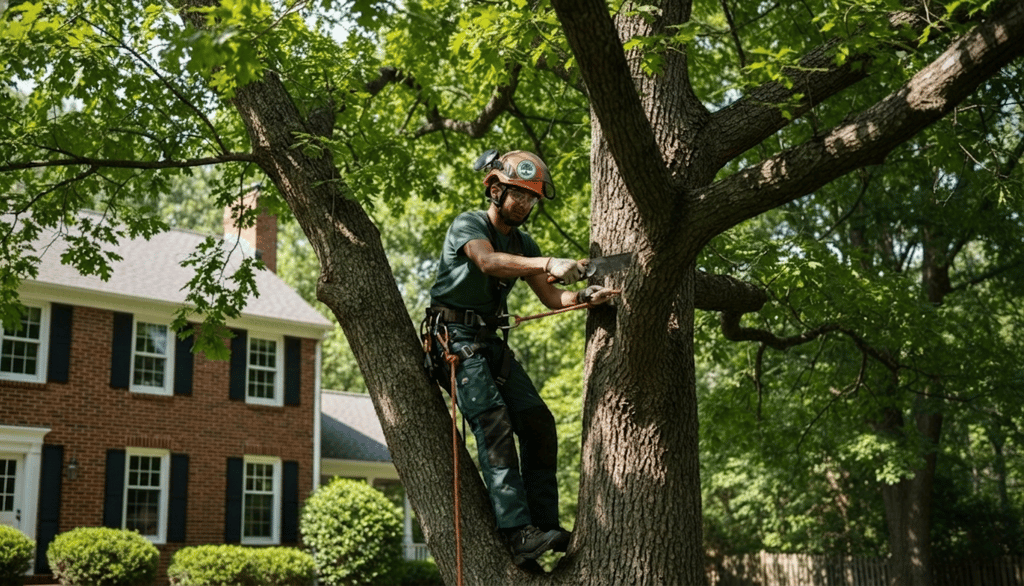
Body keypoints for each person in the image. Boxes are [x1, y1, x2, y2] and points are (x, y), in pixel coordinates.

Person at [425, 150, 618, 567]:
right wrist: (550, 261)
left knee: (537, 420)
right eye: (518, 196)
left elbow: (552, 298)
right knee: (494, 421)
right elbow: (488, 262)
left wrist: (585, 297)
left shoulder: (523, 243)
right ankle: (516, 533)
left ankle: (543, 527)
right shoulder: (470, 224)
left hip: (489, 341)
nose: (525, 205)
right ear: (496, 189)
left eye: (531, 200)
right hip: (452, 338)